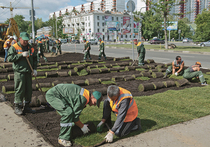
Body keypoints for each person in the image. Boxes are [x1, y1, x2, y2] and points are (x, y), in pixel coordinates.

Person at [7, 32, 37, 115]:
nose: (26, 42)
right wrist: (21, 55)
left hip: (28, 72)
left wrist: (34, 69)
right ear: (20, 39)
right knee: (20, 89)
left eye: (27, 40)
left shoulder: (30, 48)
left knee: (28, 90)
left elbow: (35, 58)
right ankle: (17, 106)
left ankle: (27, 106)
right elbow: (9, 58)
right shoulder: (14, 47)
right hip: (19, 72)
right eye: (24, 40)